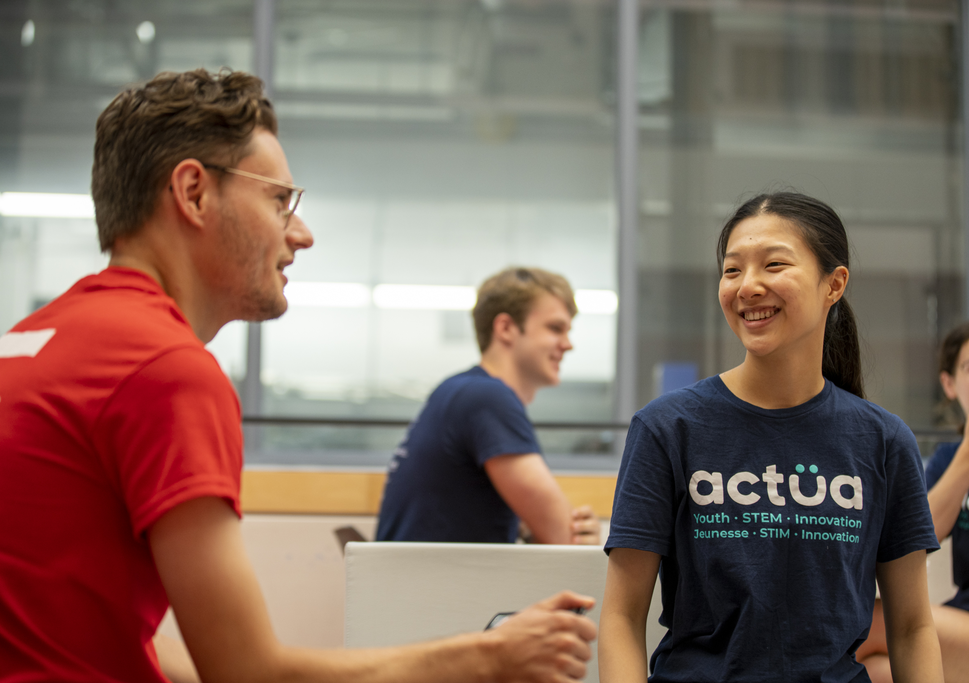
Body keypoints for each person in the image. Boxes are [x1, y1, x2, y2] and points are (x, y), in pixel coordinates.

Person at [0, 68, 596, 683]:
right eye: (279, 200)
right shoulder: (165, 371)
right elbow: (246, 671)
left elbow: (128, 638)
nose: (302, 234)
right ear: (194, 193)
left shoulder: (30, 341)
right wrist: (490, 656)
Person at [598, 192, 942, 682]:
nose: (748, 287)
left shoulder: (883, 441)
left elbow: (911, 628)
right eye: (733, 270)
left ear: (834, 284)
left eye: (774, 264)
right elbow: (620, 619)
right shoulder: (667, 428)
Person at [376, 267, 600, 545]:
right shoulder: (487, 398)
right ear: (505, 328)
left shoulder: (458, 390)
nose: (568, 345)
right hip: (438, 586)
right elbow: (567, 541)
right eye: (555, 328)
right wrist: (582, 535)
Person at [856, 320, 969, 682]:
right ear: (949, 384)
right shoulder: (949, 459)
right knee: (873, 672)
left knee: (873, 622)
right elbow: (919, 536)